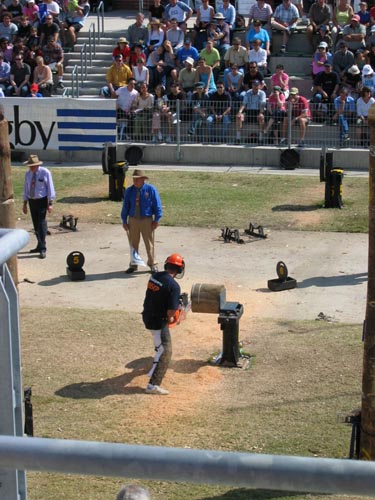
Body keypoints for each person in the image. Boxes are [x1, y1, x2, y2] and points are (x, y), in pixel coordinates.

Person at [142, 253, 185, 395]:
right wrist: (176, 314)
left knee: (159, 346)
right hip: (158, 321)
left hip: (147, 315)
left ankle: (154, 363)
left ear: (167, 265)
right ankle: (153, 385)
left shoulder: (155, 276)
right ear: (179, 270)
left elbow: (158, 295)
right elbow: (171, 312)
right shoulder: (174, 286)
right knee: (166, 351)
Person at [121, 169, 162, 274]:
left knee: (149, 243)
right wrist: (124, 220)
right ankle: (133, 264)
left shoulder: (150, 189)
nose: (135, 182)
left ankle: (153, 264)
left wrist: (156, 219)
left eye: (137, 180)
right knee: (133, 243)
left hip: (146, 220)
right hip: (133, 219)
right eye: (134, 179)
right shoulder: (129, 191)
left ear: (143, 179)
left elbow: (157, 205)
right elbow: (125, 206)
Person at [22, 154, 55, 259]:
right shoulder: (28, 174)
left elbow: (50, 188)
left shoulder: (45, 172)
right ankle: (39, 244)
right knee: (36, 224)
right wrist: (25, 203)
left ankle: (42, 247)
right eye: (30, 166)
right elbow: (26, 189)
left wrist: (50, 203)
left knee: (41, 223)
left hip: (41, 201)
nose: (31, 168)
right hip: (32, 201)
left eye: (33, 166)